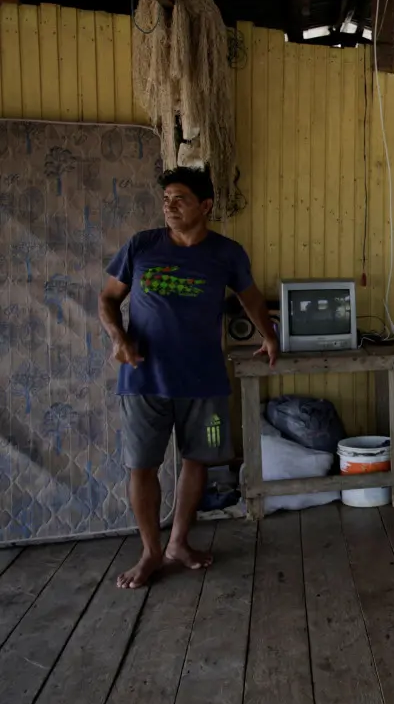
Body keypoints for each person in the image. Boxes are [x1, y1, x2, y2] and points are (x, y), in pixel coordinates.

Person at [99, 167, 279, 589]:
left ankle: (178, 542)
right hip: (145, 376)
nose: (169, 206)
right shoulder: (142, 245)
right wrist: (118, 338)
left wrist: (268, 335)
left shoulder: (227, 253)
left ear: (206, 206)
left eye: (179, 198)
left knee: (197, 459)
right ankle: (150, 552)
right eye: (165, 200)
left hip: (203, 378)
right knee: (141, 465)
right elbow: (108, 298)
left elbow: (250, 297)